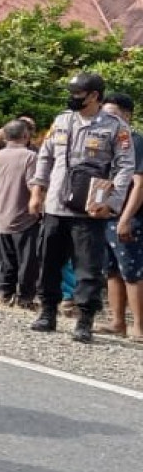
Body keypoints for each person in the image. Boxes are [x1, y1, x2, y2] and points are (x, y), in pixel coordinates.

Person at [28, 72, 135, 343]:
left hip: (90, 209)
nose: (73, 98)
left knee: (88, 267)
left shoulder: (114, 127)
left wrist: (111, 203)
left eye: (79, 94)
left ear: (94, 96)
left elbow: (125, 167)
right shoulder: (62, 120)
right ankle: (47, 312)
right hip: (56, 203)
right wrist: (37, 191)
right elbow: (45, 155)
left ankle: (85, 319)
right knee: (49, 260)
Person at [99, 93, 143, 340]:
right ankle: (117, 322)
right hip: (107, 214)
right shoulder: (111, 143)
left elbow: (139, 184)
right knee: (112, 270)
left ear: (128, 115)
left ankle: (139, 326)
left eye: (113, 115)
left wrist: (126, 218)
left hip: (129, 217)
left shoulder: (136, 142)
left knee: (132, 272)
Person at [0, 120, 41, 308]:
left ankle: (4, 293)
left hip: (3, 213)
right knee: (27, 260)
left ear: (5, 136)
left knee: (6, 259)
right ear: (25, 136)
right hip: (24, 214)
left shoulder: (0, 155)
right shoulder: (30, 156)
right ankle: (25, 298)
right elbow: (32, 184)